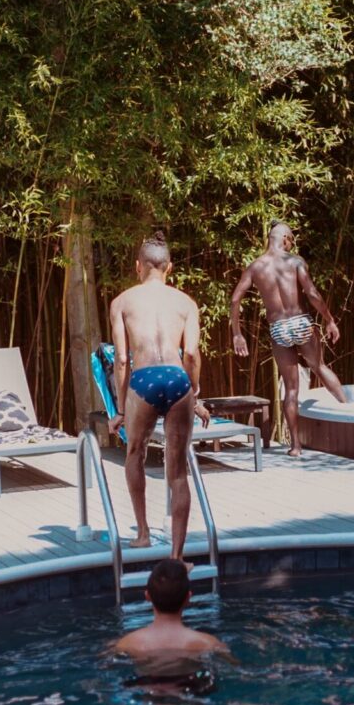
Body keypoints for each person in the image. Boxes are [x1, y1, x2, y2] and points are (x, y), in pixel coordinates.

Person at [109, 232, 211, 560]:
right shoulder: (186, 303)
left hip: (143, 380)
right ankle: (178, 557)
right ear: (170, 267)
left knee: (134, 453)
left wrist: (121, 408)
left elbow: (122, 360)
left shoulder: (121, 302)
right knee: (177, 471)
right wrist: (194, 394)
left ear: (138, 266)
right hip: (178, 378)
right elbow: (192, 353)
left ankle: (142, 534)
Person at [230, 220, 346, 457]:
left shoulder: (255, 266)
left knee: (291, 389)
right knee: (320, 367)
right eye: (292, 240)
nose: (292, 245)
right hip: (301, 321)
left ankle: (295, 446)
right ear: (284, 238)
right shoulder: (294, 262)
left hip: (278, 328)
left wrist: (237, 333)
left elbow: (235, 299)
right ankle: (350, 413)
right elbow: (312, 294)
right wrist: (329, 319)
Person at [112, 559, 229, 661]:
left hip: (147, 684)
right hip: (192, 685)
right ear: (188, 598)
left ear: (147, 596)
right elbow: (236, 666)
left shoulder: (127, 643)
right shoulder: (208, 643)